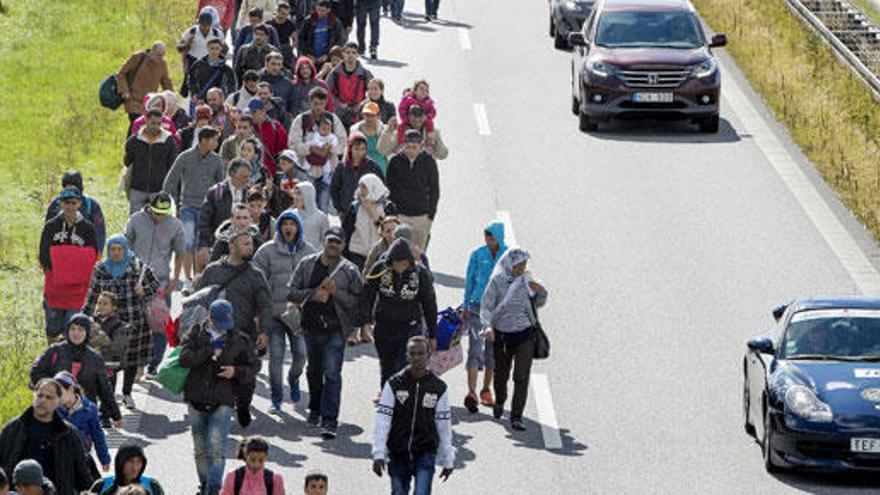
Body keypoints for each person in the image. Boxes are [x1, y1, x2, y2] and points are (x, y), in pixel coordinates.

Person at [288, 227, 364, 438]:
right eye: (331, 240)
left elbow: (359, 302)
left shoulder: (349, 270)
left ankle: (330, 420)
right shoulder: (306, 264)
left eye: (338, 242)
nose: (334, 245)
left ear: (344, 245)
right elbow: (291, 291)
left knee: (331, 374)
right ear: (323, 241)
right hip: (310, 327)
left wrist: (336, 293)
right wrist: (313, 295)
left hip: (335, 330)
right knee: (313, 371)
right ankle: (315, 409)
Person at [179, 300, 259, 495]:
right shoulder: (196, 332)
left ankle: (213, 489)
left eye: (227, 324)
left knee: (217, 447)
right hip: (196, 398)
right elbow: (184, 358)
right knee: (200, 449)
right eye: (220, 324)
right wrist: (209, 351)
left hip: (223, 399)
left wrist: (236, 371)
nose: (224, 328)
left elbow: (254, 366)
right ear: (210, 318)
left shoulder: (239, 339)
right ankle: (204, 485)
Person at [82, 236, 161, 410]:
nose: (116, 253)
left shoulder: (137, 267)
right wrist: (82, 319)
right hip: (108, 323)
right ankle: (108, 397)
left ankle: (127, 393)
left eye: (120, 249)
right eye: (112, 249)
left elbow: (155, 285)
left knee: (130, 360)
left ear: (125, 250)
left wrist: (143, 291)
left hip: (134, 320)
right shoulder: (101, 269)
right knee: (110, 361)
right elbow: (92, 295)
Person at [372, 336, 454, 493]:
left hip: (426, 452)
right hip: (398, 452)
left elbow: (444, 425)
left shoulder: (439, 388)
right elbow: (383, 419)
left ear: (428, 355)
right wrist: (378, 453)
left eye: (421, 353)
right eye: (412, 353)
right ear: (407, 356)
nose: (416, 357)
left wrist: (448, 459)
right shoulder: (394, 384)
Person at [253, 210, 315, 414]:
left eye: (293, 224)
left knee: (301, 355)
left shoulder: (310, 252)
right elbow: (257, 283)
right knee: (276, 356)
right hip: (274, 315)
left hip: (299, 315)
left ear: (298, 227)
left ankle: (294, 379)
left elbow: (316, 281)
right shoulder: (266, 251)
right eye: (285, 224)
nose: (289, 227)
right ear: (279, 227)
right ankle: (276, 397)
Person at [479, 248, 548, 431]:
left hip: (525, 334)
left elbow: (539, 302)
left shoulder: (527, 280)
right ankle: (500, 400)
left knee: (521, 376)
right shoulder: (497, 282)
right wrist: (487, 326)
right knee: (501, 374)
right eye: (518, 264)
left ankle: (517, 417)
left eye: (524, 264)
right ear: (510, 264)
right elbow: (486, 307)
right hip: (502, 335)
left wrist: (541, 291)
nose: (522, 267)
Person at [362, 239, 437, 389]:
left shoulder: (420, 273)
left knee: (402, 369)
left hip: (410, 329)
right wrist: (365, 323)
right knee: (387, 369)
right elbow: (367, 296)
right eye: (397, 263)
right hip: (384, 328)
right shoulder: (379, 270)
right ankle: (387, 405)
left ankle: (401, 406)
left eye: (403, 263)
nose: (400, 267)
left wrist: (433, 335)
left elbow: (429, 304)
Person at [124, 192, 186, 375]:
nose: (160, 217)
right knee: (137, 325)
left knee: (160, 326)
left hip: (160, 281)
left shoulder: (175, 225)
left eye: (164, 213)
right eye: (157, 213)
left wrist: (175, 280)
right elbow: (125, 247)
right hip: (135, 280)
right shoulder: (135, 220)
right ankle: (138, 365)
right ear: (150, 207)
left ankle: (154, 364)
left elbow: (180, 252)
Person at [0, 379, 92, 495]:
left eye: (49, 397)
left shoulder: (69, 434)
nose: (42, 400)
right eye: (40, 395)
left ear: (58, 401)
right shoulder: (14, 428)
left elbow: (82, 474)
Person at [30, 315, 122, 429]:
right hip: (56, 410)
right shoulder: (54, 350)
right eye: (72, 329)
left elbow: (105, 389)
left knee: (81, 444)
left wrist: (116, 415)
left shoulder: (95, 358)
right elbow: (36, 372)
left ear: (87, 332)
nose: (76, 333)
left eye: (80, 329)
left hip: (84, 413)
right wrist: (52, 389)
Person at [39, 186, 100, 343]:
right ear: (60, 204)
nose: (70, 206)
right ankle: (52, 359)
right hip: (54, 287)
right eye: (66, 202)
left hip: (77, 290)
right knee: (52, 328)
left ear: (79, 203)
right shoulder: (51, 226)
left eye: (73, 202)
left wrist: (63, 259)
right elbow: (44, 255)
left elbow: (92, 256)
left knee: (73, 328)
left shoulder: (88, 228)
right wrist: (63, 266)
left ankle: (69, 362)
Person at [164, 126, 225, 278]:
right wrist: (173, 204)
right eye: (214, 140)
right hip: (187, 207)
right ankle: (188, 278)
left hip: (207, 209)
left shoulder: (216, 160)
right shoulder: (185, 157)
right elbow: (170, 182)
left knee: (202, 244)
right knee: (188, 241)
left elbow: (221, 186)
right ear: (203, 140)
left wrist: (218, 207)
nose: (216, 143)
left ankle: (198, 277)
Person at [461, 221, 507, 413]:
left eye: (492, 236)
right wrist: (465, 305)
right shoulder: (478, 255)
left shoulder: (508, 256)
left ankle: (486, 390)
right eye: (487, 236)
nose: (488, 240)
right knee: (475, 348)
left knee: (493, 352)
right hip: (477, 307)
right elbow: (469, 280)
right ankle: (471, 392)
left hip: (498, 310)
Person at [288, 88, 347, 212]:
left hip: (327, 171)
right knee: (305, 208)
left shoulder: (333, 119)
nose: (318, 107)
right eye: (315, 104)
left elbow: (343, 143)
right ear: (310, 102)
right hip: (305, 172)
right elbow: (292, 144)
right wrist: (311, 148)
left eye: (321, 104)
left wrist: (330, 147)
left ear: (325, 103)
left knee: (323, 208)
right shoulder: (301, 120)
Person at [385, 130, 439, 252]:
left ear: (421, 146)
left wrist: (430, 215)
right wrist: (393, 213)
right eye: (408, 147)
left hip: (422, 216)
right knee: (399, 252)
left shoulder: (429, 162)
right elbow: (389, 188)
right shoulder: (395, 161)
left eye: (414, 147)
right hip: (401, 215)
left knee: (418, 254)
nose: (410, 150)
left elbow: (434, 189)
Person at [197, 160, 253, 272]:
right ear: (232, 174)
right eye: (243, 177)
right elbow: (204, 221)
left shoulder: (249, 192)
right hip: (219, 242)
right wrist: (205, 245)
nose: (247, 180)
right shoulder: (217, 192)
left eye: (248, 177)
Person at [53, 373, 110, 479]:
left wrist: (104, 458)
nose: (57, 397)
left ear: (70, 389)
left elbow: (97, 435)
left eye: (59, 393)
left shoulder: (89, 409)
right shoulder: (54, 410)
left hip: (82, 456)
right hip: (59, 458)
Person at [123, 109, 178, 215]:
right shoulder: (134, 140)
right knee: (136, 221)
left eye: (159, 123)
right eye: (153, 123)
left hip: (159, 189)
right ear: (146, 120)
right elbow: (127, 161)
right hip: (137, 187)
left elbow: (172, 164)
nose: (156, 126)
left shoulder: (168, 140)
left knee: (160, 223)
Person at [341, 173, 395, 272]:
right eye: (360, 187)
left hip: (380, 254)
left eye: (364, 187)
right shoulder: (355, 207)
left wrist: (373, 213)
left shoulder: (387, 207)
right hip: (356, 253)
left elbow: (389, 232)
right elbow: (346, 231)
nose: (361, 191)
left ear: (373, 187)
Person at [44, 171, 107, 254]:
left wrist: (98, 251)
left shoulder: (91, 205)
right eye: (68, 187)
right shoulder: (55, 205)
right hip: (60, 252)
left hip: (83, 252)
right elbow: (47, 231)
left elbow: (99, 230)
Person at [116, 42, 174, 130]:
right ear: (152, 51)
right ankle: (131, 143)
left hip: (149, 103)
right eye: (158, 55)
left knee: (144, 127)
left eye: (162, 55)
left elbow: (166, 83)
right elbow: (121, 74)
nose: (160, 58)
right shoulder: (137, 57)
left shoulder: (162, 64)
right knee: (136, 123)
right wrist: (124, 91)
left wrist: (171, 99)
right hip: (133, 99)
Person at [330, 132, 383, 218]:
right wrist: (339, 208)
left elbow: (381, 188)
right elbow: (334, 188)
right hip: (346, 213)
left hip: (367, 213)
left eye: (363, 149)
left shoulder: (373, 167)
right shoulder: (342, 167)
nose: (359, 152)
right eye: (356, 149)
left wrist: (375, 207)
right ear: (350, 148)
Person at [325, 42, 373, 129]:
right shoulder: (335, 73)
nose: (350, 55)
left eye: (354, 53)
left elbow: (373, 93)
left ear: (357, 55)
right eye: (347, 52)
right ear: (343, 54)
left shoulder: (365, 74)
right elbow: (326, 91)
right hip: (339, 115)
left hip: (359, 115)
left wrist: (362, 105)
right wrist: (338, 103)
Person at [88, 444, 165, 495]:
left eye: (139, 462)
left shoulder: (152, 485)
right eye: (130, 462)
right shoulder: (101, 485)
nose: (135, 467)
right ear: (120, 463)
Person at [379, 105, 448, 160]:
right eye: (414, 116)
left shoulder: (433, 132)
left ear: (424, 117)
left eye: (420, 116)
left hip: (425, 170)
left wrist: (435, 144)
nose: (417, 119)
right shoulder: (400, 132)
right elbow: (383, 151)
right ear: (409, 117)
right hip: (404, 169)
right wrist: (388, 130)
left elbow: (443, 155)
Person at [219, 436, 284, 495]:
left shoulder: (275, 479)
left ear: (266, 457)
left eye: (261, 460)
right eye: (252, 460)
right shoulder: (233, 477)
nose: (256, 464)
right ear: (245, 455)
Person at [185, 39, 237, 106]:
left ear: (221, 49)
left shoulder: (226, 68)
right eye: (212, 48)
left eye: (217, 48)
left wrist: (226, 99)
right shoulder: (198, 64)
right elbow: (191, 80)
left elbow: (232, 85)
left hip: (218, 102)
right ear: (207, 49)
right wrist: (194, 94)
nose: (214, 51)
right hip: (201, 101)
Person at [247, 98, 289, 176]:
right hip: (251, 172)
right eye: (249, 113)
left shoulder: (275, 127)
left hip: (271, 172)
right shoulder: (248, 127)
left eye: (253, 112)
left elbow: (284, 150)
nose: (251, 115)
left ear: (263, 111)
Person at [303, 114, 338, 191]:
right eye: (323, 128)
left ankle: (326, 177)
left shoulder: (331, 136)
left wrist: (330, 146)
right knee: (307, 160)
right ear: (319, 128)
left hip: (324, 156)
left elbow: (335, 143)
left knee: (327, 164)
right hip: (314, 153)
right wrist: (322, 145)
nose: (325, 131)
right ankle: (305, 170)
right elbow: (315, 142)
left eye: (328, 129)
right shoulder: (316, 135)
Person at [351, 103, 387, 174]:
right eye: (367, 115)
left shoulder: (383, 130)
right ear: (362, 115)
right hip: (361, 168)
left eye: (372, 115)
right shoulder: (355, 130)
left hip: (381, 169)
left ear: (378, 116)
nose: (369, 118)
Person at [292, 182, 330, 249]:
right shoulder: (290, 215)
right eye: (294, 194)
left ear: (308, 195)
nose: (295, 197)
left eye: (299, 194)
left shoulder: (321, 217)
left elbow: (326, 242)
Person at [259, 52, 295, 119]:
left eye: (279, 64)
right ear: (266, 64)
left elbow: (291, 107)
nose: (276, 67)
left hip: (281, 122)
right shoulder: (257, 80)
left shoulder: (288, 84)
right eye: (273, 64)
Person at [267, 2, 297, 69]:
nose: (285, 16)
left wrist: (291, 48)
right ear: (277, 11)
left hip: (285, 49)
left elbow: (295, 39)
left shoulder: (290, 24)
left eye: (287, 14)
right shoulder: (269, 24)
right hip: (271, 48)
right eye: (283, 14)